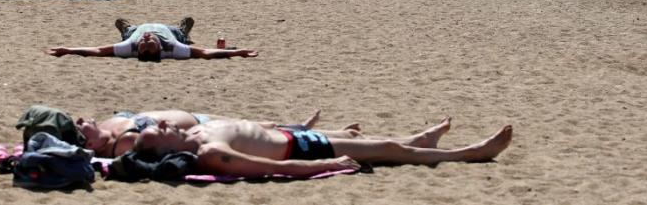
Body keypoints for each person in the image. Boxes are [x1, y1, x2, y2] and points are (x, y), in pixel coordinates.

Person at [133, 118, 512, 177]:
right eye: (159, 132)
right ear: (164, 148)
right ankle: (471, 153)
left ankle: (422, 141)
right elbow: (268, 167)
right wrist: (323, 167)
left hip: (297, 137)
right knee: (389, 148)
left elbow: (254, 128)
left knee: (383, 144)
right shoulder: (209, 153)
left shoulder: (200, 131)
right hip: (303, 152)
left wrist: (304, 124)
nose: (163, 124)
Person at [76, 109, 329, 159]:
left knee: (257, 124)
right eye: (79, 127)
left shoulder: (109, 130)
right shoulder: (124, 142)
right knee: (258, 128)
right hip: (194, 126)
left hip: (194, 118)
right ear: (90, 141)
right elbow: (155, 146)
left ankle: (301, 129)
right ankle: (301, 129)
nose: (79, 120)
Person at [45, 18, 258, 62]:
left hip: (135, 29)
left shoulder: (131, 46)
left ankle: (125, 27)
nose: (147, 39)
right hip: (170, 31)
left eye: (144, 42)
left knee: (126, 27)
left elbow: (98, 51)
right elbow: (205, 53)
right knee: (182, 32)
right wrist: (236, 52)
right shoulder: (172, 48)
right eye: (150, 42)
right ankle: (185, 29)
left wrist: (67, 49)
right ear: (158, 48)